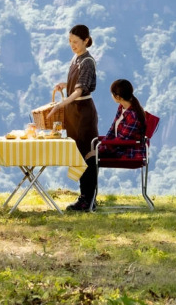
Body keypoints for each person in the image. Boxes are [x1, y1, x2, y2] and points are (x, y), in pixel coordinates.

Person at [49, 24, 100, 212]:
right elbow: (75, 84)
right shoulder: (76, 58)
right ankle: (85, 197)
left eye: (76, 42)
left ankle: (88, 199)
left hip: (83, 113)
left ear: (86, 40)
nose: (72, 45)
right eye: (70, 41)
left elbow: (80, 90)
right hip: (74, 113)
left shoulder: (87, 62)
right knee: (78, 154)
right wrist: (65, 84)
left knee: (87, 155)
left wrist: (61, 104)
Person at [100, 79, 148, 160]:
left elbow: (121, 140)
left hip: (129, 154)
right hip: (117, 150)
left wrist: (100, 150)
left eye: (112, 93)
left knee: (89, 159)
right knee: (87, 154)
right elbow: (112, 130)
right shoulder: (121, 108)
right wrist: (101, 146)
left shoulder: (133, 116)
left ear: (118, 97)